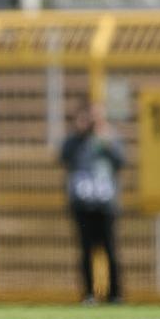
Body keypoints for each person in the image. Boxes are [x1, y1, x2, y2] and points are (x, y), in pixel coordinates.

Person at [60, 99, 125, 305]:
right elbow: (63, 155)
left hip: (105, 203)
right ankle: (89, 293)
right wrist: (78, 133)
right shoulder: (75, 140)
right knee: (86, 250)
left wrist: (106, 141)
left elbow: (121, 161)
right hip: (83, 203)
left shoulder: (108, 137)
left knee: (110, 250)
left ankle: (114, 294)